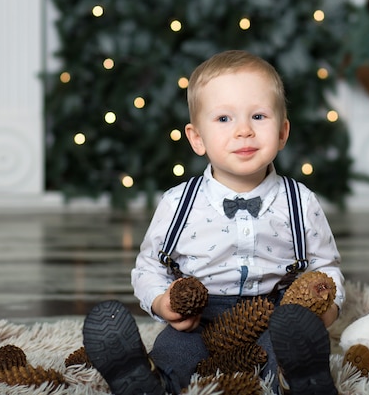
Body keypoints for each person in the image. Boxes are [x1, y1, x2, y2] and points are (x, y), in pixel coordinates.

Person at [82, 50, 345, 395]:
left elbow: (326, 268)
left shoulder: (300, 202)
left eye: (258, 116)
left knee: (281, 351)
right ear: (196, 138)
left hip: (273, 313)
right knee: (175, 353)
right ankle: (146, 381)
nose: (244, 131)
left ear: (282, 132)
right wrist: (164, 304)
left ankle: (300, 379)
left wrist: (322, 313)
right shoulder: (178, 203)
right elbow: (148, 267)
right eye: (224, 119)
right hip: (198, 319)